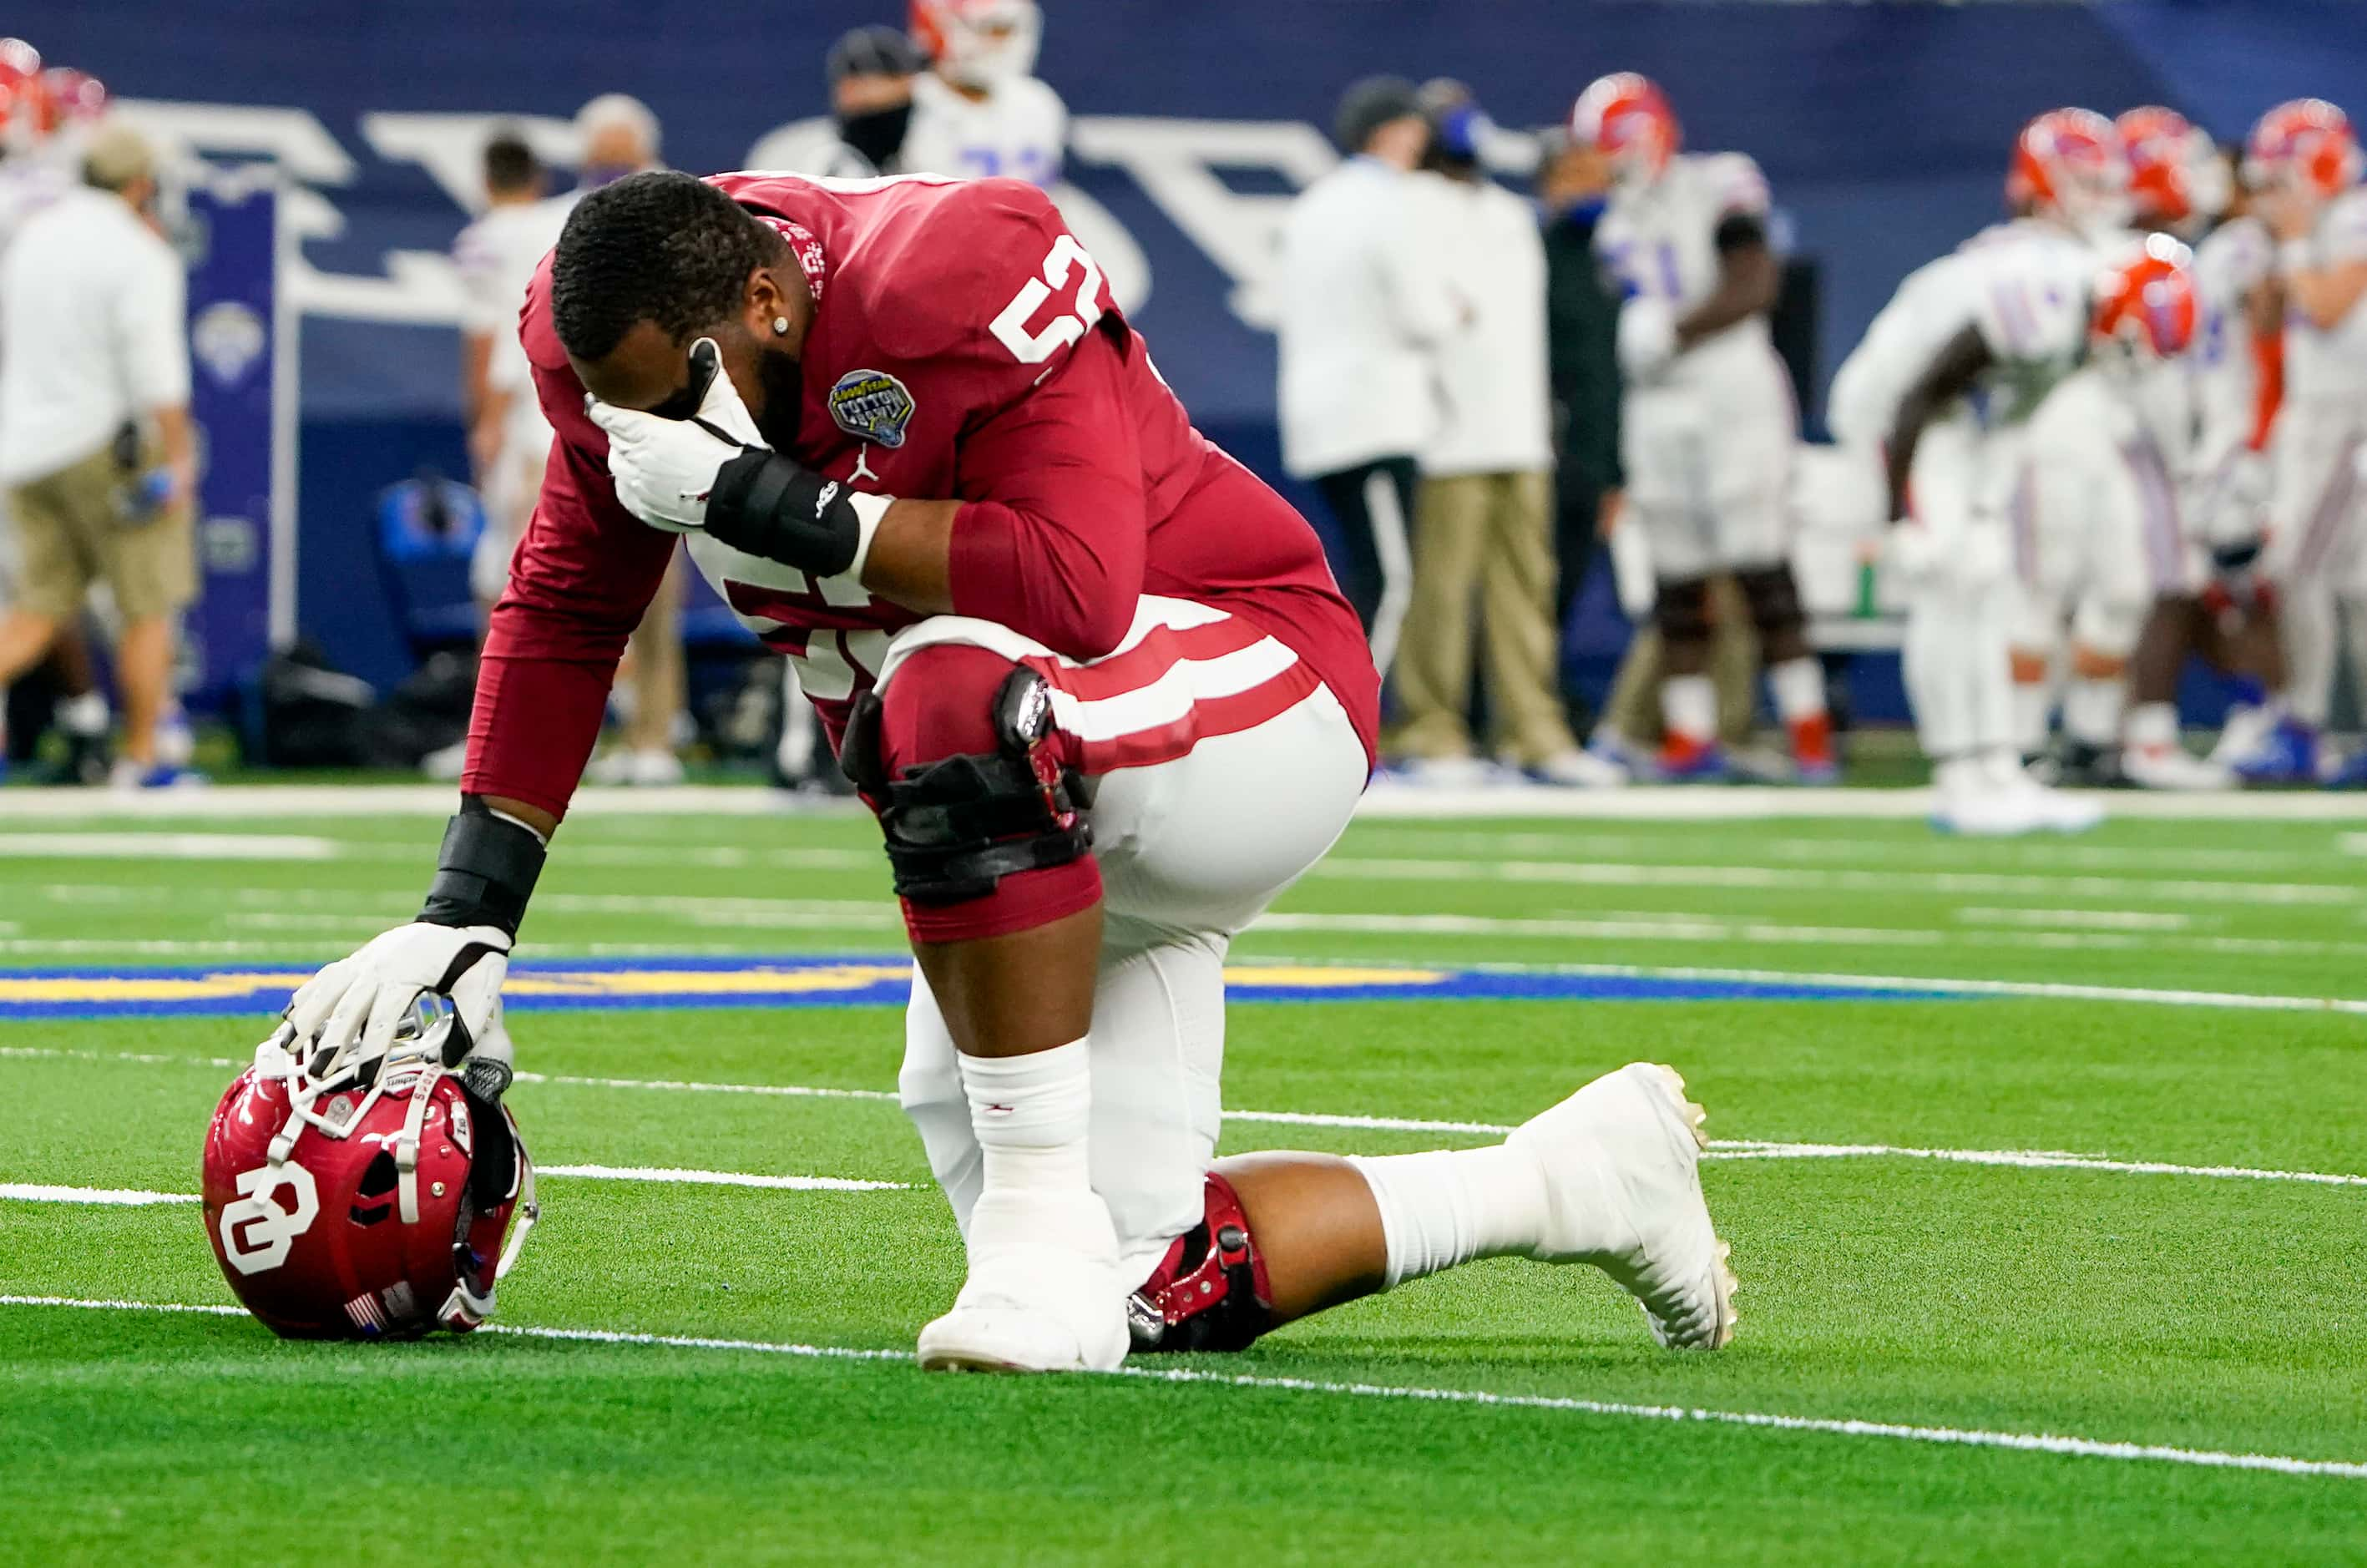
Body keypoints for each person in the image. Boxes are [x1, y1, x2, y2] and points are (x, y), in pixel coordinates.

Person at [271, 169, 1735, 1373]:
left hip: (1247, 686)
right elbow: (567, 607)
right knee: (1160, 1278)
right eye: (616, 410)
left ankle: (1034, 1232)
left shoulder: (957, 270)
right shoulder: (599, 340)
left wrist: (772, 501)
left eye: (668, 402)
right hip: (1052, 795)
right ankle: (1577, 1177)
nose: (639, 435)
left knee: (962, 690)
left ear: (769, 303)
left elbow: (1081, 590)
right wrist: (471, 909)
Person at [1833, 112, 2192, 836]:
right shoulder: (2042, 299)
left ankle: (2000, 769)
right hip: (1900, 421)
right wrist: (1895, 516)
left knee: (1989, 581)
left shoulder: (2079, 298)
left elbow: (2012, 415)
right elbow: (1915, 395)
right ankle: (1958, 776)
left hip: (1966, 428)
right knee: (1949, 584)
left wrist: (1989, 496)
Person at [1573, 72, 1834, 785]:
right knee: (1675, 576)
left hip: (1731, 390)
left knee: (1760, 563)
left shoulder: (1718, 183)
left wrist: (1675, 330)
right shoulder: (1609, 222)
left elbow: (1756, 284)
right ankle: (1691, 737)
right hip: (1656, 404)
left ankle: (1809, 735)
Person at [1388, 86, 1616, 788]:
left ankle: (1533, 733)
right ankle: (1434, 732)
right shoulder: (1405, 209)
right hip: (1446, 434)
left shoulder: (1510, 216)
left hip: (1520, 432)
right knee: (1442, 591)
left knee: (1526, 593)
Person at [0, 120, 199, 788]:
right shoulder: (136, 251)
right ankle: (141, 760)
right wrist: (178, 456)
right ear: (141, 184)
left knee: (35, 612)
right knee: (148, 604)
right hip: (102, 448)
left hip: (24, 451)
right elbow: (157, 372)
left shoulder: (32, 236)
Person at [1277, 76, 1455, 669]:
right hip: (1375, 416)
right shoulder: (1389, 202)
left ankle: (1339, 722)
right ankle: (1352, 730)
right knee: (1389, 580)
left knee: (1362, 571)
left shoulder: (1314, 205)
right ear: (1394, 132)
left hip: (1322, 415)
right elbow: (1422, 313)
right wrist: (1455, 311)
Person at [2234, 99, 2367, 786]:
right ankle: (2327, 729)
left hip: (2348, 419)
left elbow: (2326, 305)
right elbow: (2266, 321)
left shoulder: (2353, 216)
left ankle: (2305, 726)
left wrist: (2290, 240)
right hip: (2314, 416)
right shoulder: (2314, 224)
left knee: (2300, 571)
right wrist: (2271, 246)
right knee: (2346, 586)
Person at [566, 94, 689, 787]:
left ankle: (657, 733)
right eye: (601, 154)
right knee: (586, 595)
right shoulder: (570, 221)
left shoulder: (682, 214)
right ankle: (602, 734)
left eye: (621, 152)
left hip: (666, 424)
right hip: (591, 428)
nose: (610, 167)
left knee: (658, 596)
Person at [901, 0, 1065, 187]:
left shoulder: (1038, 104)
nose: (1007, 42)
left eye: (1007, 30)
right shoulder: (902, 108)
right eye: (993, 29)